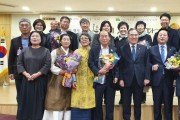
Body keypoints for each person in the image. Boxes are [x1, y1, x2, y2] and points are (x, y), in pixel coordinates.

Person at [16, 31, 51, 120]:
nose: (35, 38)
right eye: (33, 36)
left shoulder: (46, 51)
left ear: (41, 39)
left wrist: (37, 74)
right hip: (27, 80)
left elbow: (47, 65)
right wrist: (25, 74)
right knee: (26, 101)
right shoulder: (24, 50)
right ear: (30, 39)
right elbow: (19, 63)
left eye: (37, 36)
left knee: (39, 101)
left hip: (40, 80)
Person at [119, 28, 150, 120]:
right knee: (126, 103)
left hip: (139, 80)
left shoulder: (144, 48)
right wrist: (120, 79)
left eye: (135, 35)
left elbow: (147, 64)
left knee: (138, 104)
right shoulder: (122, 48)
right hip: (126, 80)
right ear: (128, 36)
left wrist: (147, 77)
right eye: (131, 35)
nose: (134, 37)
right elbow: (120, 65)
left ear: (138, 36)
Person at [88, 30, 119, 120]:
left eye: (106, 36)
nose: (104, 38)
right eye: (102, 36)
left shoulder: (114, 49)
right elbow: (90, 63)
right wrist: (98, 71)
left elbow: (117, 65)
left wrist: (116, 76)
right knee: (97, 103)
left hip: (110, 79)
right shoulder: (94, 50)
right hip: (98, 79)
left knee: (110, 104)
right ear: (99, 38)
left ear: (109, 38)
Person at [149, 28, 176, 120]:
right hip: (156, 81)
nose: (162, 36)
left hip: (169, 81)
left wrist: (175, 79)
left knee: (168, 105)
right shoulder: (151, 49)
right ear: (157, 37)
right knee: (157, 105)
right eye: (160, 35)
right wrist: (152, 67)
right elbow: (147, 63)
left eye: (164, 35)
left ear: (168, 37)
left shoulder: (173, 49)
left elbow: (176, 65)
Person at [43, 34, 72, 120]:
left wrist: (71, 70)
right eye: (64, 39)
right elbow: (50, 65)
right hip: (56, 78)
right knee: (55, 98)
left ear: (70, 42)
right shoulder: (55, 51)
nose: (66, 41)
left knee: (67, 99)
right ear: (60, 41)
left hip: (68, 79)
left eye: (68, 39)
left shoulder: (73, 53)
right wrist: (61, 71)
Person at [8, 18, 31, 118]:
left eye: (26, 25)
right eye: (22, 25)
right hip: (19, 72)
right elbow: (11, 57)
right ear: (19, 27)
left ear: (30, 27)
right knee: (20, 95)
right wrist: (10, 71)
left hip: (32, 72)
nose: (24, 27)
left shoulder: (35, 38)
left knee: (31, 94)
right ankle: (21, 115)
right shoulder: (14, 41)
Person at [71, 33, 95, 120]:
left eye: (86, 38)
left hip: (91, 80)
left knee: (90, 101)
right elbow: (72, 68)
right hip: (79, 79)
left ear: (90, 40)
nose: (84, 40)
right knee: (77, 100)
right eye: (82, 38)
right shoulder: (76, 51)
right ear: (79, 41)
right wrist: (73, 80)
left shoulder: (93, 51)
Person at [135, 20, 153, 104]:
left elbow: (150, 47)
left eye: (141, 26)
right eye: (138, 25)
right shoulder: (134, 36)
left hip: (144, 58)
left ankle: (143, 98)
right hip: (135, 59)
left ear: (144, 27)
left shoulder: (148, 36)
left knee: (142, 80)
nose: (140, 27)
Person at [114, 21, 129, 104]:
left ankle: (123, 99)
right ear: (119, 29)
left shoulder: (129, 39)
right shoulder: (115, 39)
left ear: (127, 29)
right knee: (116, 80)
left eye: (124, 28)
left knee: (124, 81)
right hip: (116, 63)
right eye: (121, 28)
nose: (123, 29)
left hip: (125, 63)